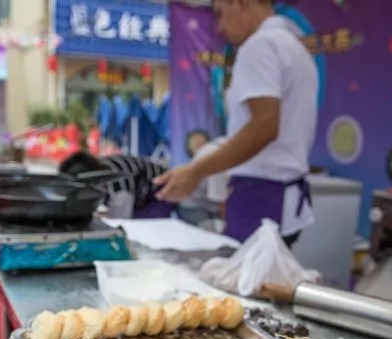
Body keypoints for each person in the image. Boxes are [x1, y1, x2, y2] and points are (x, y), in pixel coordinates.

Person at [155, 0, 318, 247]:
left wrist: (196, 171)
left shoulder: (259, 46)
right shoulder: (296, 49)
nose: (220, 27)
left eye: (220, 14)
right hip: (285, 195)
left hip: (261, 196)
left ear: (241, 3)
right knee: (266, 279)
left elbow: (264, 127)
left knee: (245, 281)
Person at [59, 151, 174, 219]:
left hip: (164, 189)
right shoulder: (101, 168)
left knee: (141, 225)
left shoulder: (118, 188)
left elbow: (120, 221)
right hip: (141, 190)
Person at [176, 136, 231, 229]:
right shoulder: (218, 156)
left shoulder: (220, 147)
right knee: (210, 238)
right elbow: (221, 202)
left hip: (207, 204)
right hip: (194, 207)